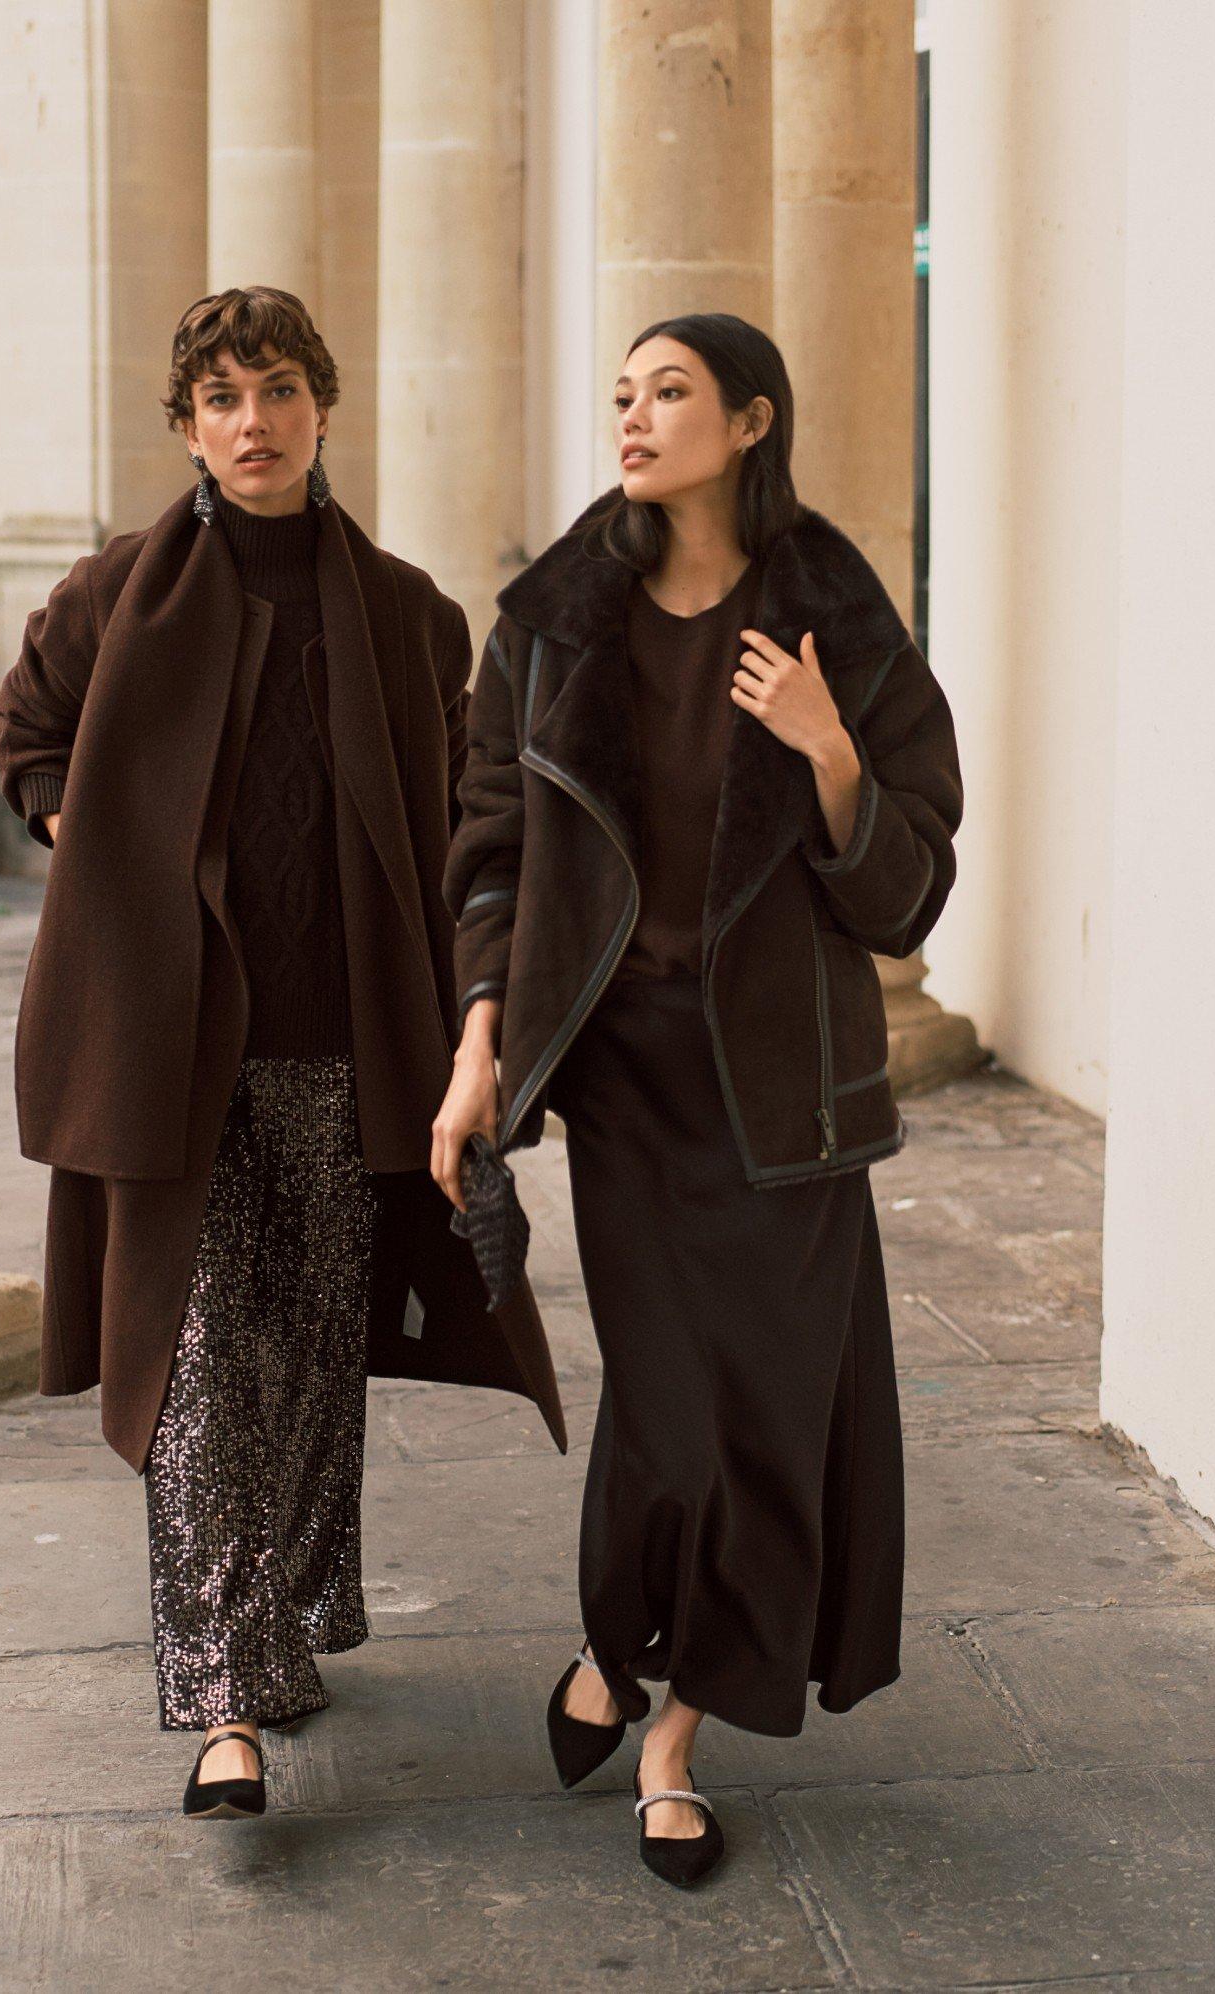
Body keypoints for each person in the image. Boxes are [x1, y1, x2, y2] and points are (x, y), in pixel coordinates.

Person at [0, 286, 563, 1822]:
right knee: (194, 1363)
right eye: (223, 398)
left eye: (280, 390)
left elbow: (459, 824)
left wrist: (479, 1020)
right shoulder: (115, 594)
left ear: (325, 407)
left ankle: (295, 1616)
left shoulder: (405, 611)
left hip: (349, 1046)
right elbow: (29, 738)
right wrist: (89, 826)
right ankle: (221, 1697)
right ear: (186, 425)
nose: (253, 422)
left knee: (313, 1353)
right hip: (177, 1054)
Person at [435, 312, 962, 1886]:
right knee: (669, 1407)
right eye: (621, 392)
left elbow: (912, 879)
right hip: (627, 1079)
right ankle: (616, 1634)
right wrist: (479, 1042)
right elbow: (490, 848)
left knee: (770, 1414)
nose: (634, 414)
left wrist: (832, 759)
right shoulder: (552, 622)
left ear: (749, 421)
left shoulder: (830, 612)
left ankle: (673, 1727)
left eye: (668, 391)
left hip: (784, 1089)